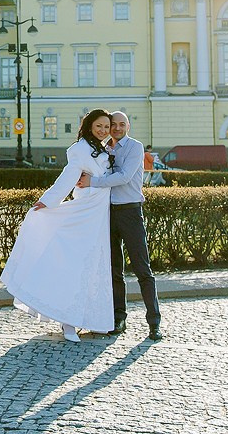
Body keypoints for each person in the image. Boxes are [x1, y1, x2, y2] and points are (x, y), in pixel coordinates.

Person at [0, 109, 115, 342]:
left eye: (106, 127)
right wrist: (49, 201)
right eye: (98, 127)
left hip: (99, 214)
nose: (103, 131)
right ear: (89, 126)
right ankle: (68, 322)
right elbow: (67, 177)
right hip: (85, 212)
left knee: (94, 265)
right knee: (74, 263)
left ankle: (94, 318)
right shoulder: (80, 149)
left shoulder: (104, 149)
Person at [76, 111, 162, 340]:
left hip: (131, 212)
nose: (116, 128)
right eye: (113, 124)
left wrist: (92, 182)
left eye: (121, 124)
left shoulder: (135, 147)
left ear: (128, 126)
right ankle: (119, 318)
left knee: (143, 270)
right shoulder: (104, 149)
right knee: (114, 270)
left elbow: (124, 177)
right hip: (108, 214)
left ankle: (154, 322)